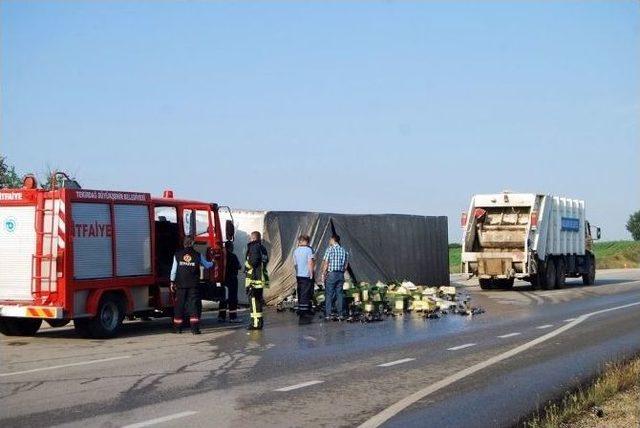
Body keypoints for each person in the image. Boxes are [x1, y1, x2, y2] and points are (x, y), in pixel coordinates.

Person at [170, 236, 214, 334]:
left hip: (180, 284)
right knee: (193, 306)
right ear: (193, 243)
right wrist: (213, 262)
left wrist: (172, 282)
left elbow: (173, 271)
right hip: (193, 285)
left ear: (184, 243)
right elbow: (207, 265)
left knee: (179, 305)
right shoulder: (197, 255)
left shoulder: (177, 255)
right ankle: (195, 329)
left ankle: (177, 329)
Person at [321, 234, 349, 321]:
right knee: (339, 294)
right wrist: (342, 271)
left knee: (329, 294)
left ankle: (328, 314)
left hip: (332, 274)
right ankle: (340, 314)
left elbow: (326, 263)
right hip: (340, 274)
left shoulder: (330, 249)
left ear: (333, 240)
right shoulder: (343, 250)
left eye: (330, 239)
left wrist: (324, 273)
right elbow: (346, 264)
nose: (329, 241)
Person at [245, 231, 269, 330]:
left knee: (254, 301)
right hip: (261, 278)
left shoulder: (254, 247)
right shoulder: (263, 248)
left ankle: (255, 324)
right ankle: (259, 322)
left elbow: (253, 262)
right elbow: (265, 260)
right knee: (258, 301)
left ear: (253, 238)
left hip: (254, 278)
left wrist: (246, 266)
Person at [293, 235, 315, 324]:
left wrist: (298, 272)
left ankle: (301, 308)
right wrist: (311, 273)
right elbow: (310, 262)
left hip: (299, 275)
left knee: (300, 292)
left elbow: (295, 264)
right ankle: (304, 311)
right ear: (307, 241)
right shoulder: (309, 250)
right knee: (306, 293)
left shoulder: (296, 251)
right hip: (307, 274)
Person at [218, 241, 241, 323]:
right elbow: (239, 266)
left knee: (222, 297)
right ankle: (233, 317)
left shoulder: (222, 256)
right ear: (230, 247)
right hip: (232, 279)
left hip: (223, 279)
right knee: (233, 298)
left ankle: (221, 316)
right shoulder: (233, 256)